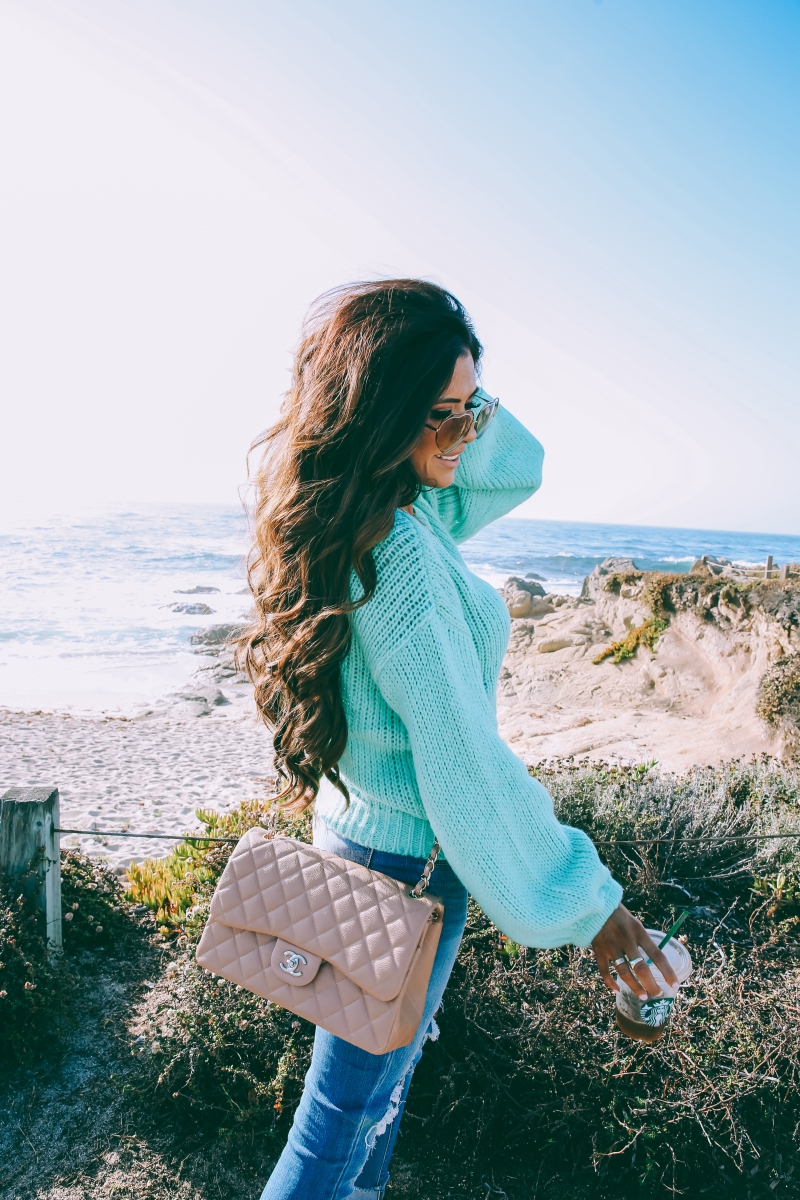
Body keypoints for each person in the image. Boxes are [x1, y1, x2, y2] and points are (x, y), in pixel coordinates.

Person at [241, 280, 677, 1200]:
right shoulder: (401, 550)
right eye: (438, 416)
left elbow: (519, 464)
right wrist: (590, 905)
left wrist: (454, 375)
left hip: (360, 839)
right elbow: (465, 766)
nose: (466, 436)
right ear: (382, 413)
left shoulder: (381, 509)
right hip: (409, 868)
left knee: (374, 1105)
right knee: (339, 1122)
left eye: (468, 409)